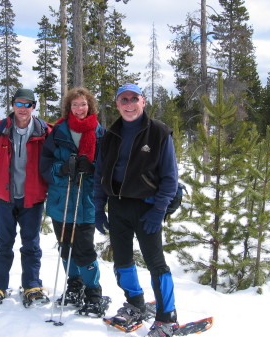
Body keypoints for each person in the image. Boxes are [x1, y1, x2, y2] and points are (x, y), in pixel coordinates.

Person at [94, 83, 179, 336]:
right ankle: (135, 303)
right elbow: (100, 172)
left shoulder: (159, 133)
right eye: (123, 100)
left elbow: (170, 177)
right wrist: (99, 207)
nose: (129, 104)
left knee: (156, 263)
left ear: (143, 101)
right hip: (118, 206)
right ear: (117, 104)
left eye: (134, 99)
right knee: (122, 261)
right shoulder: (110, 135)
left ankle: (167, 317)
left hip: (147, 208)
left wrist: (158, 210)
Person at [0, 88, 52, 307]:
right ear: (12, 106)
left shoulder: (44, 130)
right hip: (5, 198)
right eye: (19, 104)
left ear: (33, 107)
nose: (23, 109)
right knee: (3, 243)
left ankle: (32, 286)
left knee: (31, 244)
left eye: (28, 104)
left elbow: (57, 156)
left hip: (32, 199)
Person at [39, 87, 108, 316]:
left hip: (86, 200)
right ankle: (74, 284)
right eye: (75, 104)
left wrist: (93, 167)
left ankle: (93, 292)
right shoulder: (58, 132)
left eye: (84, 104)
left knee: (84, 250)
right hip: (62, 198)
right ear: (69, 107)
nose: (80, 109)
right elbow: (45, 166)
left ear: (90, 106)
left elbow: (108, 166)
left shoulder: (99, 133)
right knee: (66, 247)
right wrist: (63, 167)